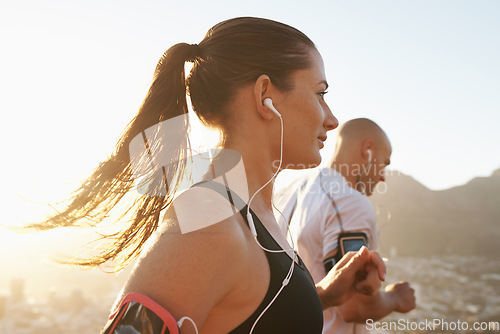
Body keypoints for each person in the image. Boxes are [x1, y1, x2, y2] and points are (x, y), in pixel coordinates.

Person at [31, 18, 387, 333]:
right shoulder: (209, 223)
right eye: (320, 94)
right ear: (266, 95)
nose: (331, 118)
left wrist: (322, 295)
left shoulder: (255, 212)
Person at [275, 118, 416, 334]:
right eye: (384, 163)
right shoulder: (349, 202)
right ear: (367, 149)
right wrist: (396, 298)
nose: (383, 177)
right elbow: (353, 307)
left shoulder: (294, 191)